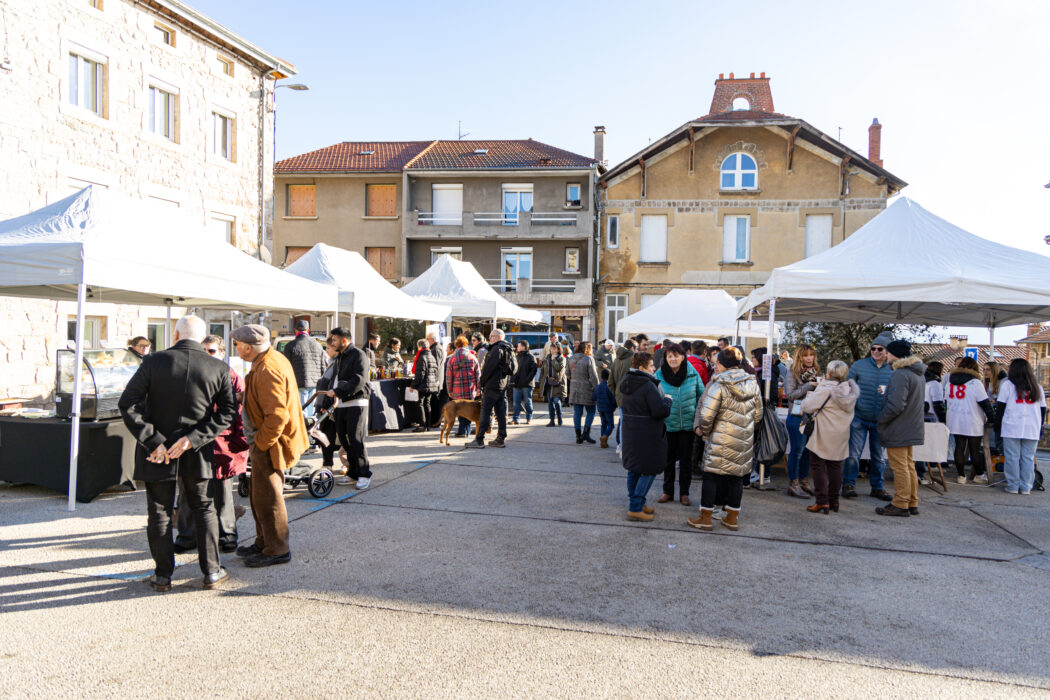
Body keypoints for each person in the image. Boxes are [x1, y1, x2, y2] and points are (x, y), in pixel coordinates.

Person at [118, 315, 236, 591]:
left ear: (175, 334)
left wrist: (154, 440)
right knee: (204, 509)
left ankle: (163, 575)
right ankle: (211, 572)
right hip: (194, 449)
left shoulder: (153, 362)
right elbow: (228, 413)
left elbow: (128, 403)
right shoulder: (218, 367)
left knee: (159, 511)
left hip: (160, 450)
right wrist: (192, 439)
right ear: (202, 337)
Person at [233, 324, 309, 566]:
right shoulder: (268, 360)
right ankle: (264, 541)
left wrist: (261, 444)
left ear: (248, 347)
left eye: (237, 345)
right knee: (260, 496)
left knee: (269, 498)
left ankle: (276, 549)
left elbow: (277, 416)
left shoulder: (267, 367)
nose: (236, 349)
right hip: (266, 441)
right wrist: (244, 398)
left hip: (269, 444)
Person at [174, 335, 249, 555]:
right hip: (193, 442)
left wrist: (239, 443)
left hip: (222, 443)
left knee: (222, 493)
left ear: (222, 353)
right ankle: (187, 536)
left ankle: (227, 535)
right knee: (187, 490)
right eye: (204, 350)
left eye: (212, 350)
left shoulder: (231, 376)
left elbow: (240, 415)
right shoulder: (190, 374)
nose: (207, 354)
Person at [687, 349, 762, 532]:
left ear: (721, 364)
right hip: (742, 440)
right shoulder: (752, 383)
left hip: (719, 438)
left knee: (711, 477)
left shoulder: (718, 384)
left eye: (717, 363)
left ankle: (705, 518)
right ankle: (732, 518)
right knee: (736, 478)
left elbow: (706, 415)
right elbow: (758, 415)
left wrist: (703, 431)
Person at [875, 339, 926, 517]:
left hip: (898, 427)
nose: (885, 355)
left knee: (899, 467)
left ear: (895, 354)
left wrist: (881, 419)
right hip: (911, 425)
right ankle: (912, 501)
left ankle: (900, 503)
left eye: (888, 352)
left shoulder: (900, 374)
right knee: (909, 465)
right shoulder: (917, 373)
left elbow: (896, 405)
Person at [800, 360, 859, 514]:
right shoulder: (849, 391)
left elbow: (807, 406)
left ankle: (822, 501)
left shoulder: (825, 389)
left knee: (818, 465)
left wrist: (809, 396)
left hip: (823, 432)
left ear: (829, 373)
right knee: (835, 466)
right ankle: (834, 500)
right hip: (841, 433)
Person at [619, 352, 672, 521]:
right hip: (648, 433)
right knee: (649, 469)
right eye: (651, 366)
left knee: (634, 468)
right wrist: (668, 401)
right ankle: (635, 507)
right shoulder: (647, 385)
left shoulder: (627, 381)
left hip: (631, 431)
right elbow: (659, 411)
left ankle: (637, 504)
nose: (654, 368)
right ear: (642, 368)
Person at [843, 331, 895, 501]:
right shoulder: (859, 365)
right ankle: (848, 484)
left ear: (887, 351)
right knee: (853, 454)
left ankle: (878, 488)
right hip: (859, 417)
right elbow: (847, 386)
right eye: (873, 348)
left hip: (881, 420)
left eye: (880, 349)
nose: (876, 351)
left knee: (878, 457)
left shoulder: (894, 369)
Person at [654, 342, 704, 506]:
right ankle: (667, 491)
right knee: (668, 460)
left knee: (686, 461)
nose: (673, 359)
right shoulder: (659, 375)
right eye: (669, 356)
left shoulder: (692, 374)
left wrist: (698, 417)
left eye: (676, 356)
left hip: (688, 426)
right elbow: (654, 398)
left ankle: (684, 493)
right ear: (666, 358)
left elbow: (701, 396)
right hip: (668, 425)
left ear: (683, 357)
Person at [326, 327, 372, 489]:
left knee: (355, 439)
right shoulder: (340, 357)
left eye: (334, 340)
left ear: (344, 340)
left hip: (357, 402)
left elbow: (359, 379)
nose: (332, 342)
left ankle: (364, 473)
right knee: (344, 440)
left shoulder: (358, 355)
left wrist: (338, 391)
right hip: (342, 402)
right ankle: (353, 472)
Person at [995, 358, 1046, 494]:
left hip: (1011, 426)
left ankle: (1013, 485)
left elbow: (1001, 408)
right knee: (1028, 458)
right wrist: (1040, 428)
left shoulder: (1007, 385)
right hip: (1032, 427)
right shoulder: (1037, 387)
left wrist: (997, 425)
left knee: (1012, 457)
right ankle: (1026, 487)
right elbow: (1042, 410)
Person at [946, 355, 994, 484]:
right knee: (974, 449)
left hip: (954, 418)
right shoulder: (976, 383)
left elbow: (946, 401)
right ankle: (979, 475)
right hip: (972, 419)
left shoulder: (950, 382)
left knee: (959, 446)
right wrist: (992, 418)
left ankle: (961, 476)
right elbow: (985, 403)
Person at [782, 344, 821, 498]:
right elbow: (790, 395)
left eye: (811, 355)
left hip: (812, 417)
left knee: (807, 451)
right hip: (797, 417)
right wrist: (808, 386)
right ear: (800, 357)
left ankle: (804, 481)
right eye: (806, 355)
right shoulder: (792, 373)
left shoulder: (816, 371)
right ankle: (794, 483)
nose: (809, 358)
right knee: (797, 451)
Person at [467, 329, 516, 449]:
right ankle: (501, 438)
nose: (489, 338)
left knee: (485, 412)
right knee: (500, 413)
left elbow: (488, 369)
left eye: (491, 336)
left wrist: (481, 383)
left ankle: (479, 439)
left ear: (498, 337)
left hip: (492, 385)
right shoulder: (508, 348)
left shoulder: (496, 349)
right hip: (502, 385)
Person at [282, 319, 325, 419]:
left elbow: (286, 367)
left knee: (301, 412)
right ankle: (312, 427)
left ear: (295, 330)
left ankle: (303, 428)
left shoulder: (290, 345)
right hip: (315, 383)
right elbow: (322, 366)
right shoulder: (318, 345)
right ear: (308, 330)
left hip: (298, 382)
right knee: (312, 412)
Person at [445, 335, 481, 436]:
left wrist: (450, 390)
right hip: (470, 389)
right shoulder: (472, 357)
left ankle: (462, 431)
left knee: (460, 410)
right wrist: (479, 388)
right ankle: (467, 431)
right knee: (469, 410)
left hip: (457, 390)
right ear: (466, 345)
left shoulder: (451, 359)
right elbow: (478, 375)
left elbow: (448, 377)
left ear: (456, 345)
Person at [314, 340, 342, 470]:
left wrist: (325, 404)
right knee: (326, 435)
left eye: (329, 348)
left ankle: (343, 464)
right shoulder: (331, 363)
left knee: (334, 436)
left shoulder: (338, 364)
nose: (326, 351)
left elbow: (333, 386)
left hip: (333, 406)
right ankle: (327, 463)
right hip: (327, 405)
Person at [919, 361, 947, 485]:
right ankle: (926, 469)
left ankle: (923, 469)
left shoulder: (922, 380)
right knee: (929, 446)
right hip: (932, 418)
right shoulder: (935, 383)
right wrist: (944, 419)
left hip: (921, 415)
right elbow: (938, 404)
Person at [569, 341, 600, 444]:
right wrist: (597, 388)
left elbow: (567, 374)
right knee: (591, 411)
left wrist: (575, 381)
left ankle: (578, 436)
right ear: (588, 349)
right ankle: (586, 433)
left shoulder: (571, 358)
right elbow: (593, 377)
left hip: (574, 389)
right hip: (587, 389)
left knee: (577, 413)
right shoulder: (589, 359)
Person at [611, 338, 637, 449]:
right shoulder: (633, 359)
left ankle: (621, 447)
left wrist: (616, 393)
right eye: (636, 348)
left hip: (620, 396)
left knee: (623, 423)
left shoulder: (616, 360)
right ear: (632, 348)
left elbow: (610, 382)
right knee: (631, 424)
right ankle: (626, 448)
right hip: (631, 396)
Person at [411, 337, 440, 433]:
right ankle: (428, 425)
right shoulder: (431, 356)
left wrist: (413, 385)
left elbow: (420, 374)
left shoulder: (422, 357)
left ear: (420, 347)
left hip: (423, 385)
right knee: (427, 404)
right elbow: (436, 372)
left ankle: (422, 425)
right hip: (431, 384)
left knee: (420, 404)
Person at [539, 344, 567, 427]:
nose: (552, 351)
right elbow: (543, 371)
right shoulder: (547, 358)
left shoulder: (562, 358)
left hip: (557, 384)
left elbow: (559, 368)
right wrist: (541, 381)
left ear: (558, 350)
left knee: (556, 401)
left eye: (554, 349)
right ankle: (552, 420)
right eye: (551, 349)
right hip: (548, 383)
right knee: (550, 403)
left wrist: (554, 360)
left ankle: (559, 417)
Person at [511, 340, 538, 425]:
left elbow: (533, 370)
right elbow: (514, 369)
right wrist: (513, 379)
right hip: (517, 384)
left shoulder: (531, 357)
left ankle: (529, 418)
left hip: (527, 384)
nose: (517, 347)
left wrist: (527, 380)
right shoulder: (517, 356)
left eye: (518, 346)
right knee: (516, 402)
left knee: (527, 402)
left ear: (523, 347)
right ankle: (516, 419)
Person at [984, 361, 1007, 456]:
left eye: (988, 369)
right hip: (992, 411)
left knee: (1000, 440)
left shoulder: (1004, 381)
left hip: (1001, 412)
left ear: (994, 370)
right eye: (984, 369)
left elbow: (1005, 399)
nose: (985, 372)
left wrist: (995, 401)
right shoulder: (987, 381)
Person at [593, 368, 617, 448]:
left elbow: (594, 397)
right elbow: (613, 400)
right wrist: (614, 407)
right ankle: (605, 436)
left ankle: (603, 441)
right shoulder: (609, 387)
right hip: (608, 409)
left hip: (600, 408)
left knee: (603, 424)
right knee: (611, 425)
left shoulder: (597, 387)